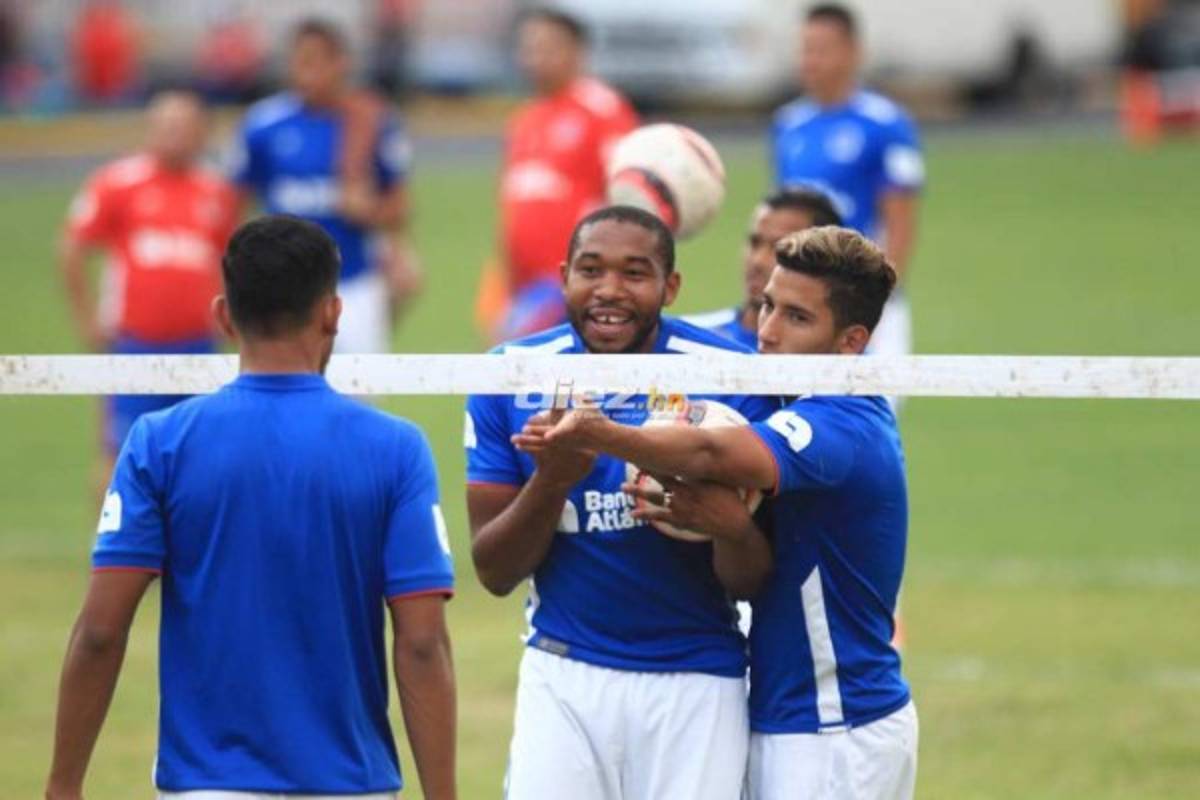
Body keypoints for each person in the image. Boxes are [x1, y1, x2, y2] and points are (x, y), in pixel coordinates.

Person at [45, 216, 457, 800]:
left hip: (206, 784)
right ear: (333, 313)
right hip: (351, 785)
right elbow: (421, 643)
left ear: (222, 315)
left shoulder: (158, 443)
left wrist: (63, 785)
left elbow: (100, 631)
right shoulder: (396, 448)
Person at [519, 227, 917, 800]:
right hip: (794, 717)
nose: (768, 331)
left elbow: (709, 451)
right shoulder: (800, 403)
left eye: (797, 318)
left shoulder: (841, 425)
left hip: (836, 728)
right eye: (767, 307)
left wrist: (598, 433)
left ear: (851, 341)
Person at [465, 206, 776, 799]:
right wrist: (552, 480)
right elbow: (495, 572)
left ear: (670, 286)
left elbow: (756, 579)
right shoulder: (510, 375)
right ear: (564, 278)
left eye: (635, 273)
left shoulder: (734, 378)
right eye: (591, 270)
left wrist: (728, 526)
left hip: (697, 680)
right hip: (564, 674)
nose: (609, 290)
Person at [61, 89, 239, 489]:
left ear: (203, 132)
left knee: (201, 460)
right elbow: (72, 248)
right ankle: (111, 532)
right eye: (166, 125)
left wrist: (231, 320)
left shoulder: (217, 191)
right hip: (134, 343)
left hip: (199, 345)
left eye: (184, 126)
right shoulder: (118, 183)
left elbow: (231, 261)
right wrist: (87, 319)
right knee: (120, 455)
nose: (174, 134)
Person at [228, 18, 419, 354]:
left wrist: (370, 212)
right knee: (284, 382)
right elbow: (233, 202)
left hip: (353, 283)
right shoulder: (263, 124)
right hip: (282, 288)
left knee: (357, 384)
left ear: (340, 63)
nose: (306, 73)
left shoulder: (370, 122)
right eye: (299, 61)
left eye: (315, 61)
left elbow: (399, 207)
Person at [772, 3, 923, 365]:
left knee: (876, 396)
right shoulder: (788, 124)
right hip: (805, 300)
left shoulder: (886, 124)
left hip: (861, 294)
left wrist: (877, 298)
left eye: (822, 49)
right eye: (806, 49)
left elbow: (900, 221)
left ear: (853, 52)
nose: (811, 60)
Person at [481, 7, 638, 342]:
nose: (536, 58)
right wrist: (501, 288)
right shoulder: (524, 120)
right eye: (529, 48)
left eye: (548, 47)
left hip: (575, 284)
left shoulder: (602, 111)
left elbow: (631, 198)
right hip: (527, 285)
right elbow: (513, 209)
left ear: (577, 51)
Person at [686, 188, 842, 350]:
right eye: (755, 243)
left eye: (780, 248)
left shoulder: (852, 361)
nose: (758, 261)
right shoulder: (690, 343)